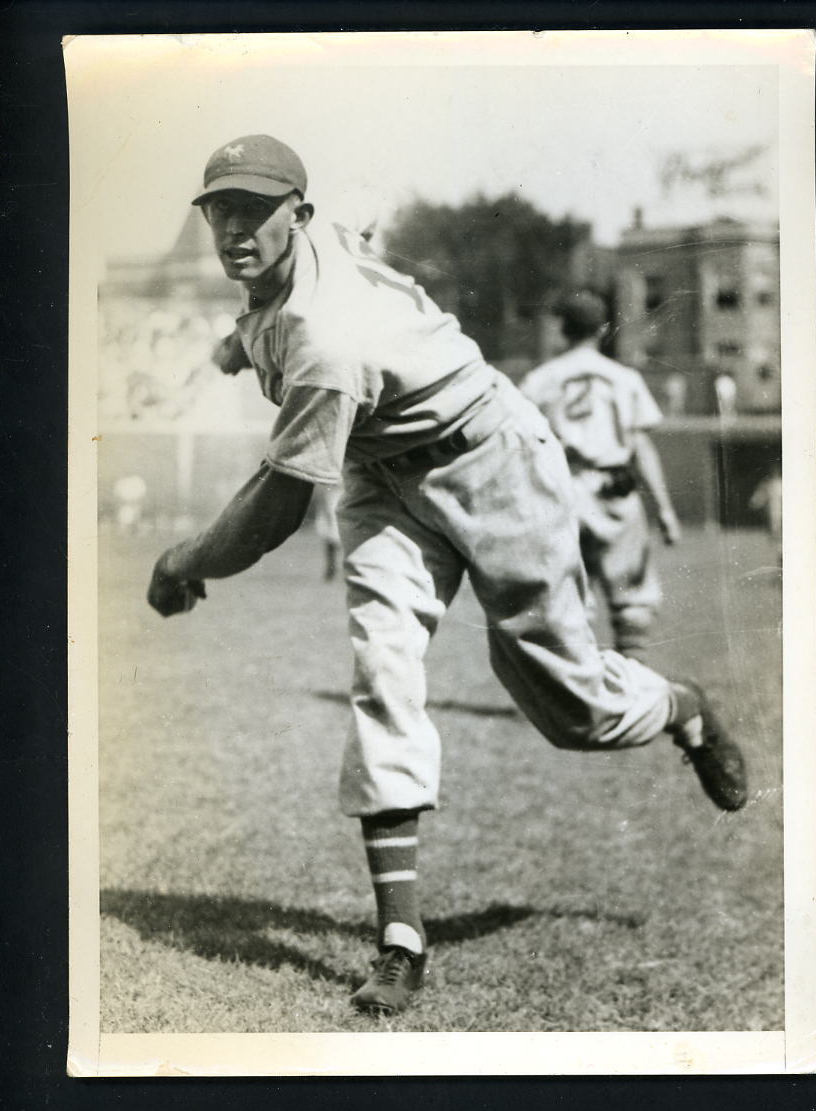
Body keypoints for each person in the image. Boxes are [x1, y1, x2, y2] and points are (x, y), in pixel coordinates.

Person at [147, 135, 748, 1016]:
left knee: (569, 706)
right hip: (382, 477)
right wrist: (237, 347)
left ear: (298, 216)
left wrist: (182, 560)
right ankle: (401, 940)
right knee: (382, 672)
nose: (236, 228)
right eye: (220, 210)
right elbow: (296, 292)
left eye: (257, 210)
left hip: (490, 456)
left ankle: (682, 707)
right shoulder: (314, 254)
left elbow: (276, 510)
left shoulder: (324, 331)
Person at [520, 293, 681, 660]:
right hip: (614, 489)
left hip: (561, 489)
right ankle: (632, 687)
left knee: (571, 599)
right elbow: (641, 448)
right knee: (633, 600)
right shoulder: (624, 377)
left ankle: (586, 689)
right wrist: (666, 511)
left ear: (562, 330)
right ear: (604, 329)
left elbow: (524, 446)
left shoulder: (539, 379)